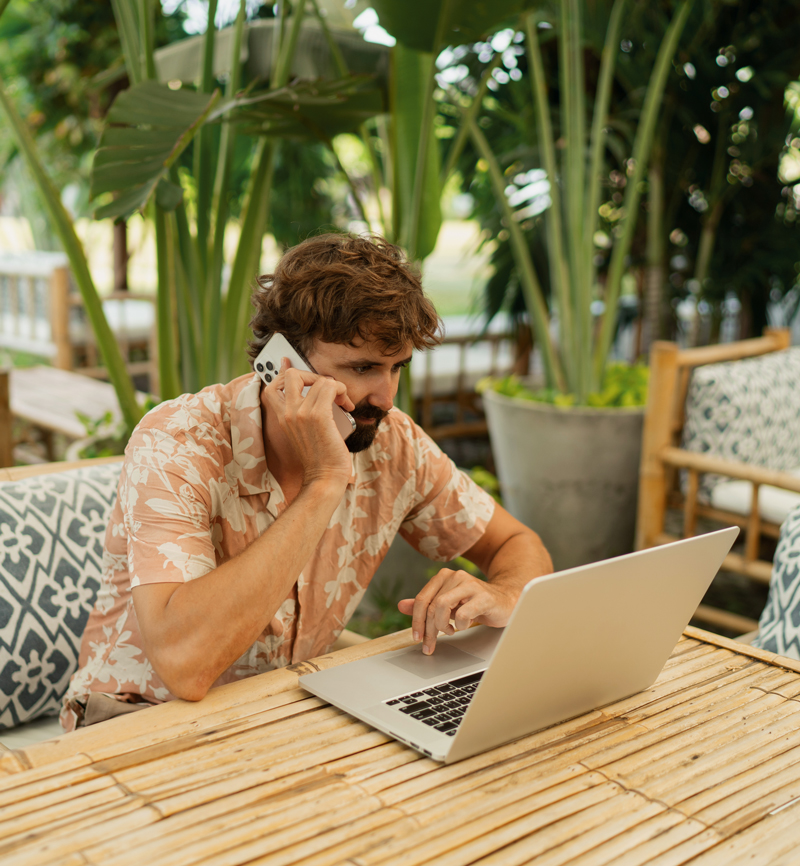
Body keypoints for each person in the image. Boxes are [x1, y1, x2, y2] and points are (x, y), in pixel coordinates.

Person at [61, 233, 552, 731]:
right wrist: (324, 482)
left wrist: (508, 593)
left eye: (396, 368)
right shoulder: (178, 443)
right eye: (362, 368)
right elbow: (184, 667)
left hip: (276, 713)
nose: (385, 397)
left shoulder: (392, 442)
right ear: (283, 365)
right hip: (135, 720)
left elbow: (515, 542)